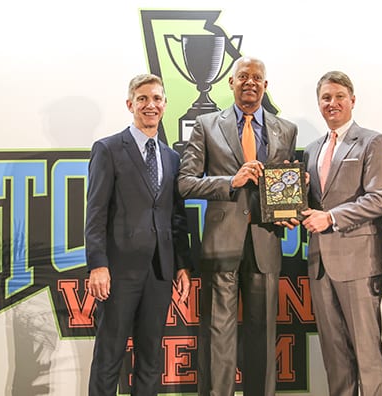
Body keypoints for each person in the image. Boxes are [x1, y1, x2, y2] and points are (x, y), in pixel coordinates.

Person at [178, 56, 298, 396]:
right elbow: (185, 183)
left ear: (265, 85)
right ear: (230, 83)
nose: (250, 82)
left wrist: (290, 205)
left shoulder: (285, 129)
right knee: (219, 334)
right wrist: (232, 180)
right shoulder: (205, 124)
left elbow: (282, 185)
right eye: (243, 76)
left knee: (263, 335)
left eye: (257, 77)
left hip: (265, 242)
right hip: (221, 243)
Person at [85, 73, 193, 396]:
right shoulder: (107, 149)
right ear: (130, 104)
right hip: (118, 272)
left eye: (157, 99)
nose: (151, 105)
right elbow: (95, 212)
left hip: (159, 274)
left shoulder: (172, 157)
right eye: (143, 99)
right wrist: (97, 263)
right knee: (109, 358)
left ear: (164, 105)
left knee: (150, 361)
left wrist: (182, 266)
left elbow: (177, 217)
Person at [300, 71, 382, 396]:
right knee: (334, 356)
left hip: (359, 262)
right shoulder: (312, 150)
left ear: (352, 100)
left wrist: (331, 218)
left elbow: (379, 198)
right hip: (320, 264)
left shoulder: (373, 141)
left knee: (367, 355)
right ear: (319, 103)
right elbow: (313, 205)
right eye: (326, 97)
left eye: (339, 96)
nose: (332, 103)